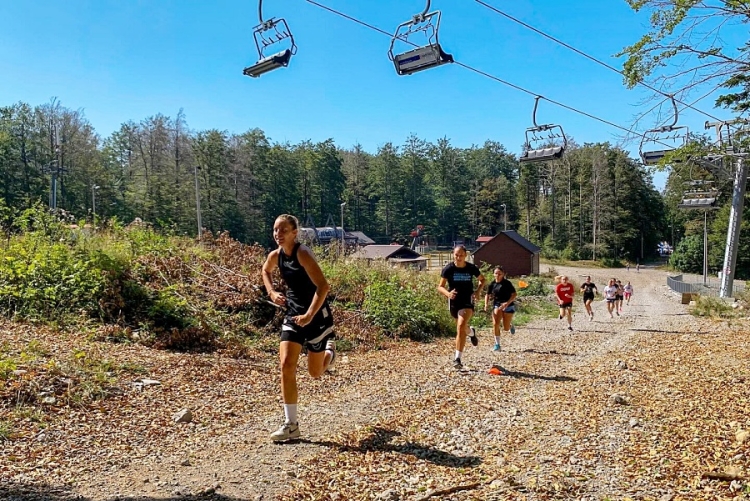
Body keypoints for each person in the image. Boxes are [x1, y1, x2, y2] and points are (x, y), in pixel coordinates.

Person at [262, 214, 336, 442]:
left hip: (316, 317)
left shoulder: (302, 253)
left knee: (315, 373)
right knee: (286, 364)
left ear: (295, 233)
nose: (278, 234)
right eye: (276, 230)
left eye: (283, 230)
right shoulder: (275, 256)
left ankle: (329, 353)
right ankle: (291, 424)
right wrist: (272, 292)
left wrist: (309, 315)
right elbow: (265, 271)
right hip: (294, 316)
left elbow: (323, 287)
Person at [438, 245, 485, 369]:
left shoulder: (471, 268)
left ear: (465, 255)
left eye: (461, 255)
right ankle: (471, 333)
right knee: (462, 328)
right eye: (456, 255)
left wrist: (477, 291)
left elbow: (482, 280)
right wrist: (448, 294)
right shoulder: (448, 269)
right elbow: (440, 286)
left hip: (467, 301)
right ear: (453, 255)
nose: (458, 258)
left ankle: (457, 358)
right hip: (454, 302)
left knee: (460, 326)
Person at [484, 266, 517, 352]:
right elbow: (487, 295)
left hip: (508, 305)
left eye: (499, 274)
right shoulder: (492, 284)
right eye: (496, 273)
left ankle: (509, 325)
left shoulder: (507, 283)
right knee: (495, 324)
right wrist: (486, 304)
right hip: (497, 305)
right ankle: (497, 344)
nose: (498, 275)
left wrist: (507, 303)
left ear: (503, 274)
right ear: (493, 274)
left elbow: (514, 294)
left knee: (505, 328)